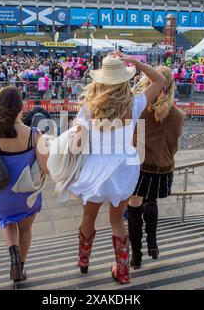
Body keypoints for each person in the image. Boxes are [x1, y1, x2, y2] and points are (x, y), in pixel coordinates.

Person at [67, 53, 166, 284]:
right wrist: (136, 61)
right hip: (124, 170)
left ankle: (84, 261)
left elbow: (76, 147)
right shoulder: (135, 103)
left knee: (88, 217)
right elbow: (160, 81)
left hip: (96, 172)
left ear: (101, 80)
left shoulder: (88, 109)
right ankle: (123, 271)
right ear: (124, 79)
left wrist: (74, 134)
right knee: (116, 220)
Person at [0, 86, 49, 282]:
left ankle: (14, 257)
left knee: (8, 223)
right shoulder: (34, 135)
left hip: (3, 195)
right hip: (27, 196)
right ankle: (22, 267)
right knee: (26, 229)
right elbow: (46, 167)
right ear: (21, 108)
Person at [128, 67, 185, 269]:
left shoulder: (140, 110)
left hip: (141, 168)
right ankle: (152, 244)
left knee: (134, 210)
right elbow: (173, 146)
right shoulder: (179, 115)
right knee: (151, 202)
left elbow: (133, 140)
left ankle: (136, 257)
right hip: (164, 170)